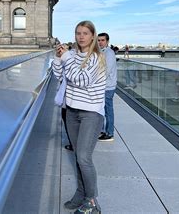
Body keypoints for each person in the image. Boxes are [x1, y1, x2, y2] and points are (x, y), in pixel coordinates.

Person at [52, 20, 106, 214]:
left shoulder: (96, 58)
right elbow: (60, 76)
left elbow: (81, 80)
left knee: (84, 157)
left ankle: (92, 202)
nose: (81, 36)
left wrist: (66, 58)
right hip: (72, 112)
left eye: (85, 33)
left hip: (91, 113)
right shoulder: (72, 55)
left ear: (92, 36)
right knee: (77, 156)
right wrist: (59, 58)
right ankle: (81, 194)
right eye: (78, 33)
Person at [97, 33, 117, 142]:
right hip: (103, 86)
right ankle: (103, 130)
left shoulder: (109, 53)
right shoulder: (101, 52)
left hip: (107, 87)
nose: (100, 42)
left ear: (107, 41)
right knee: (102, 110)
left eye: (102, 40)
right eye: (99, 40)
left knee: (108, 111)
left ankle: (109, 133)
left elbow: (106, 70)